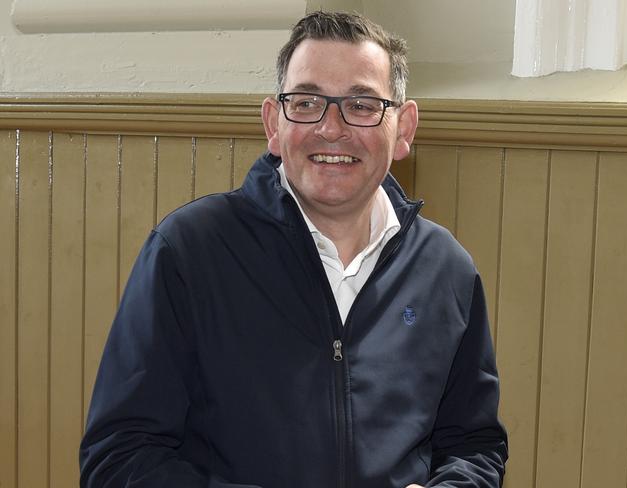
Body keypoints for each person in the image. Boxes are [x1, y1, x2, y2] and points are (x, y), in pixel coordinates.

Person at [80, 10, 507, 488]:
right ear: (274, 124)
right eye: (306, 103)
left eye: (362, 105)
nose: (331, 128)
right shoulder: (188, 252)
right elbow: (118, 460)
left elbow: (474, 446)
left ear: (403, 128)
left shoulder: (445, 269)